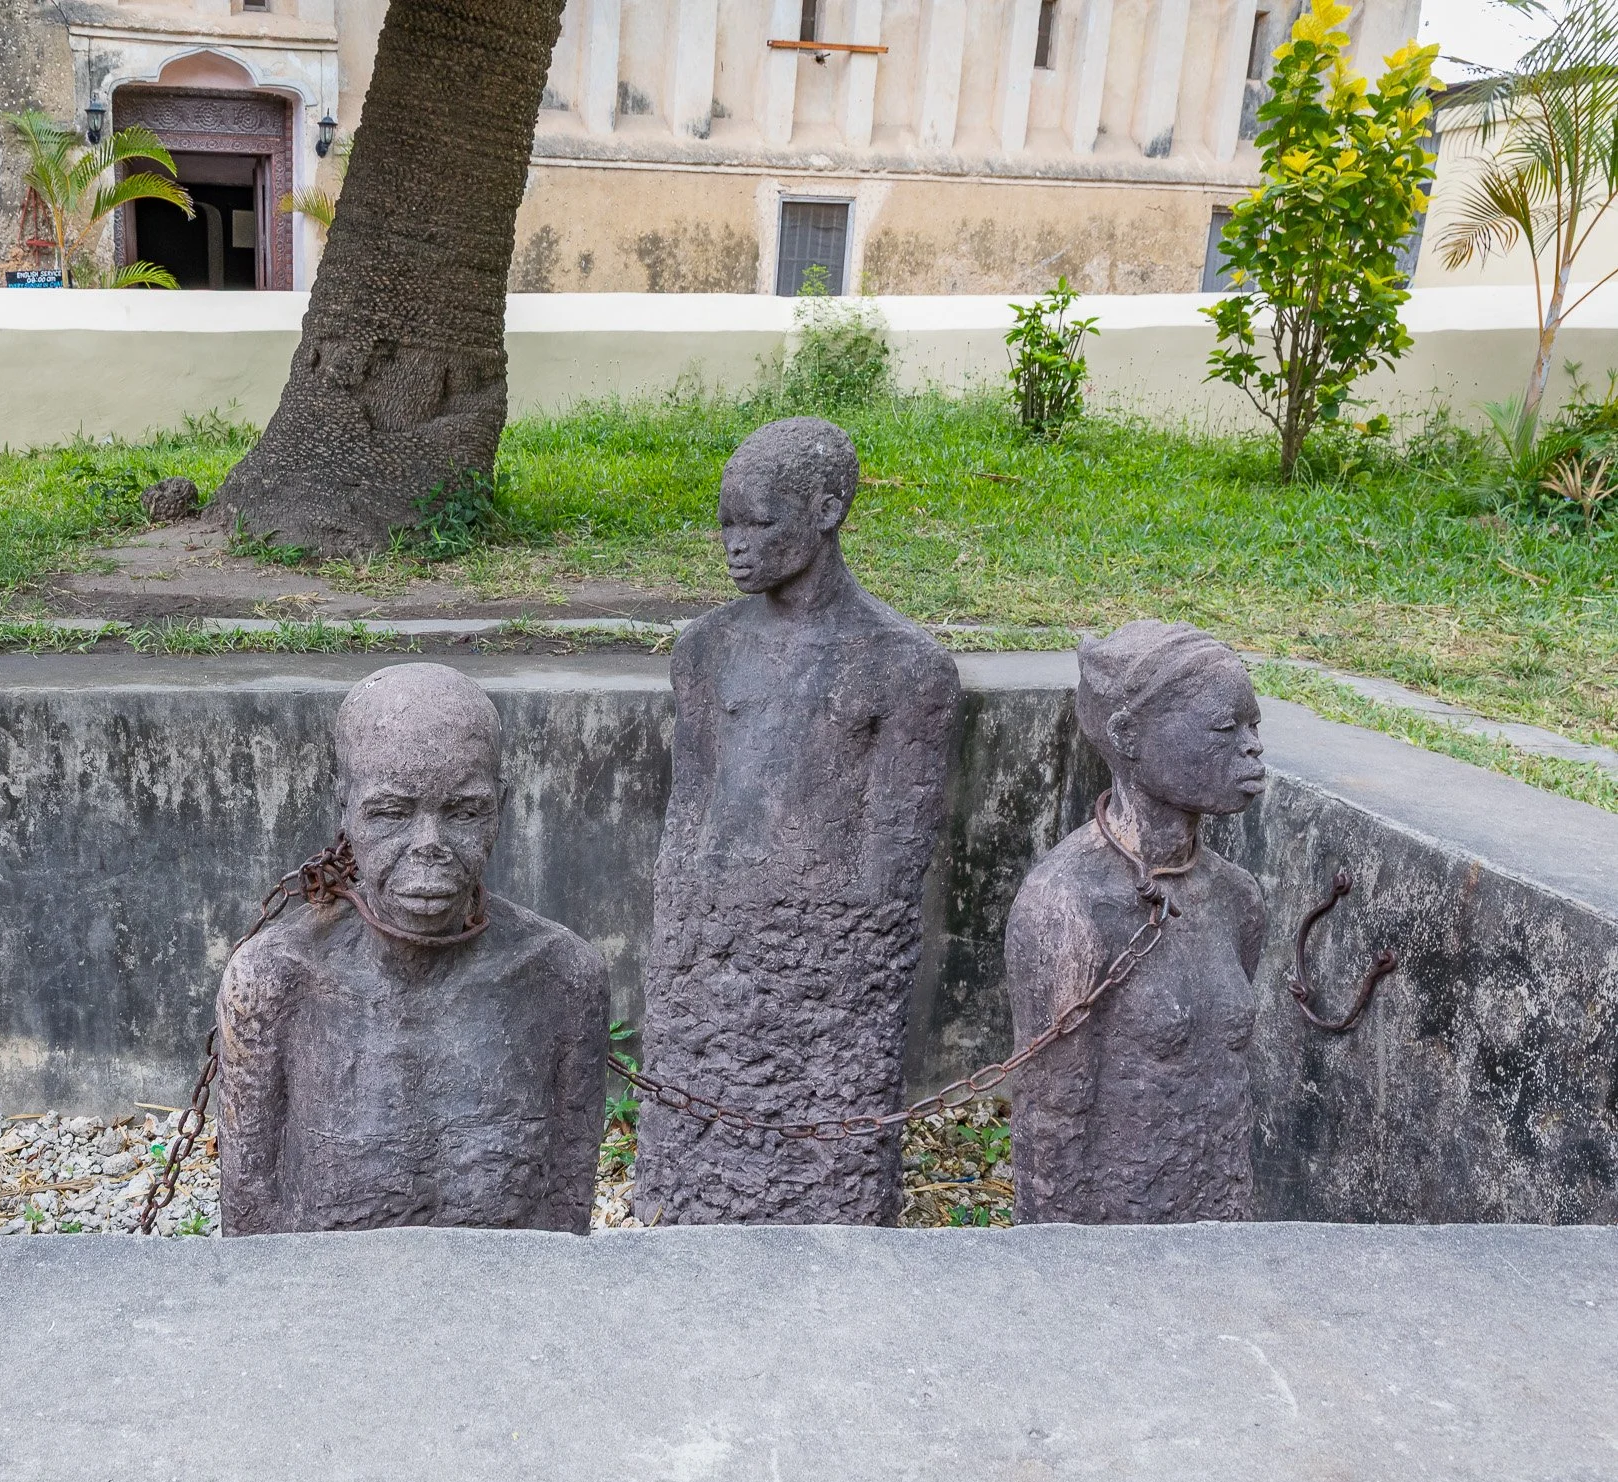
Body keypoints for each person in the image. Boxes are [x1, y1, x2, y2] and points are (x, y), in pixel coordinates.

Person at [634, 417, 960, 1225]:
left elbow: (891, 862)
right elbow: (689, 813)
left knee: (822, 1157)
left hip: (828, 970)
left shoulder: (904, 667)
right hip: (711, 958)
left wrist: (826, 970)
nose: (735, 546)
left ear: (826, 509)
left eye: (759, 523)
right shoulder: (705, 650)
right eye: (726, 525)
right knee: (700, 1149)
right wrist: (684, 947)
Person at [213, 663, 609, 1234]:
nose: (430, 846)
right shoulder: (276, 982)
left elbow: (566, 1217)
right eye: (391, 814)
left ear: (500, 805)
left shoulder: (562, 978)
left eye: (464, 812)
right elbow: (251, 1225)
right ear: (343, 808)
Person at [1005, 621, 1268, 1224]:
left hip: (1222, 1220)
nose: (1252, 748)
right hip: (1117, 1240)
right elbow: (1051, 1124)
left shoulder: (1236, 897)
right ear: (1128, 736)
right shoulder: (1065, 907)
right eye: (1226, 729)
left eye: (1255, 727)